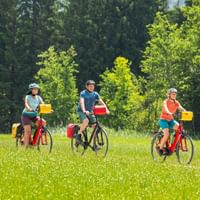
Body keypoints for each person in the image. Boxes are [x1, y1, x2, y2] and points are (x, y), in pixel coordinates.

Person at [158, 88, 186, 155]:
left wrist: (185, 112)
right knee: (167, 134)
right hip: (163, 120)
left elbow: (180, 108)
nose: (174, 95)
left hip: (171, 120)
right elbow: (165, 107)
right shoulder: (165, 101)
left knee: (180, 129)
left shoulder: (176, 102)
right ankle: (160, 148)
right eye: (173, 94)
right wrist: (168, 112)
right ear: (169, 95)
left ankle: (175, 145)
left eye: (175, 94)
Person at [21, 83, 45, 147]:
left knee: (43, 122)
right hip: (26, 115)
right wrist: (29, 108)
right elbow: (26, 104)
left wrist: (47, 109)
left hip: (34, 115)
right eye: (34, 89)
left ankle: (34, 140)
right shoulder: (27, 97)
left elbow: (43, 104)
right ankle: (26, 147)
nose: (36, 90)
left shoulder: (39, 97)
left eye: (37, 89)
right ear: (31, 90)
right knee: (28, 131)